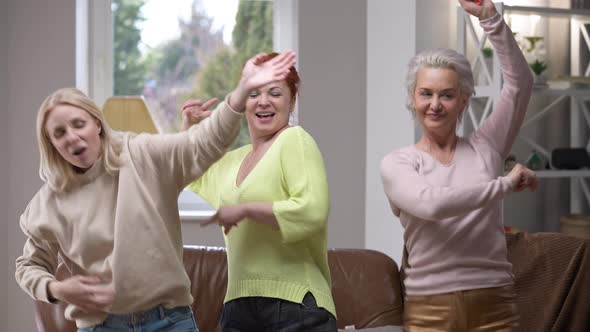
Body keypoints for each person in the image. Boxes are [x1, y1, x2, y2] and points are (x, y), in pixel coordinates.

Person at [15, 51, 296, 332]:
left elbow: (203, 143)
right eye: (59, 133)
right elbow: (28, 266)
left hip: (170, 321)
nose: (72, 137)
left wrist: (243, 90)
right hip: (101, 326)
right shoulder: (48, 203)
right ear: (51, 144)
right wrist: (57, 289)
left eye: (79, 124)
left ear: (96, 124)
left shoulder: (140, 155)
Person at [380, 0, 538, 331]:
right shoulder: (399, 163)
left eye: (447, 95)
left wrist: (491, 19)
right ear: (413, 98)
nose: (435, 105)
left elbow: (520, 83)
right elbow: (432, 204)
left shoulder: (487, 147)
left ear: (463, 101)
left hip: (495, 299)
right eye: (426, 94)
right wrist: (504, 185)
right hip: (429, 306)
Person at [182, 52, 337, 332]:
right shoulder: (232, 161)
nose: (263, 101)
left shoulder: (294, 140)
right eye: (254, 93)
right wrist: (191, 132)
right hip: (237, 307)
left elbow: (312, 211)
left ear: (292, 100)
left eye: (275, 93)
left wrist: (246, 209)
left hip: (296, 305)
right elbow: (188, 172)